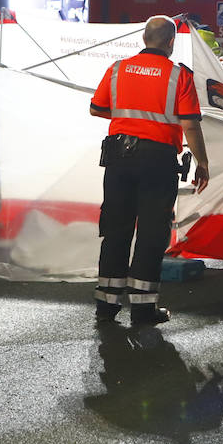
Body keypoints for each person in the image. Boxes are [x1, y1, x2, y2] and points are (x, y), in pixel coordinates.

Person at [90, 16, 209, 326]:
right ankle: (143, 310)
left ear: (144, 38)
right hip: (158, 160)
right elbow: (190, 124)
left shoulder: (118, 69)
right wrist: (203, 163)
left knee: (116, 229)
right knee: (151, 233)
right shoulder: (178, 76)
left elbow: (98, 108)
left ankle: (106, 305)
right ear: (170, 42)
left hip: (118, 158)